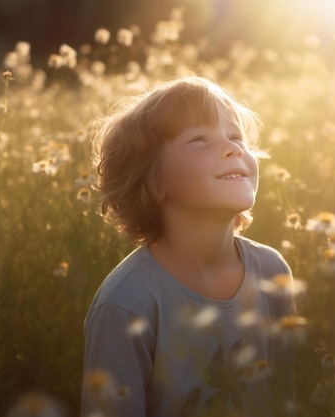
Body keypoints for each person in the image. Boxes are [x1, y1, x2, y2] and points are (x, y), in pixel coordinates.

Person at [82, 76, 296, 417]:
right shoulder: (126, 303)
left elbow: (288, 395)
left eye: (235, 136)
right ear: (154, 180)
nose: (233, 148)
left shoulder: (272, 271)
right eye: (200, 139)